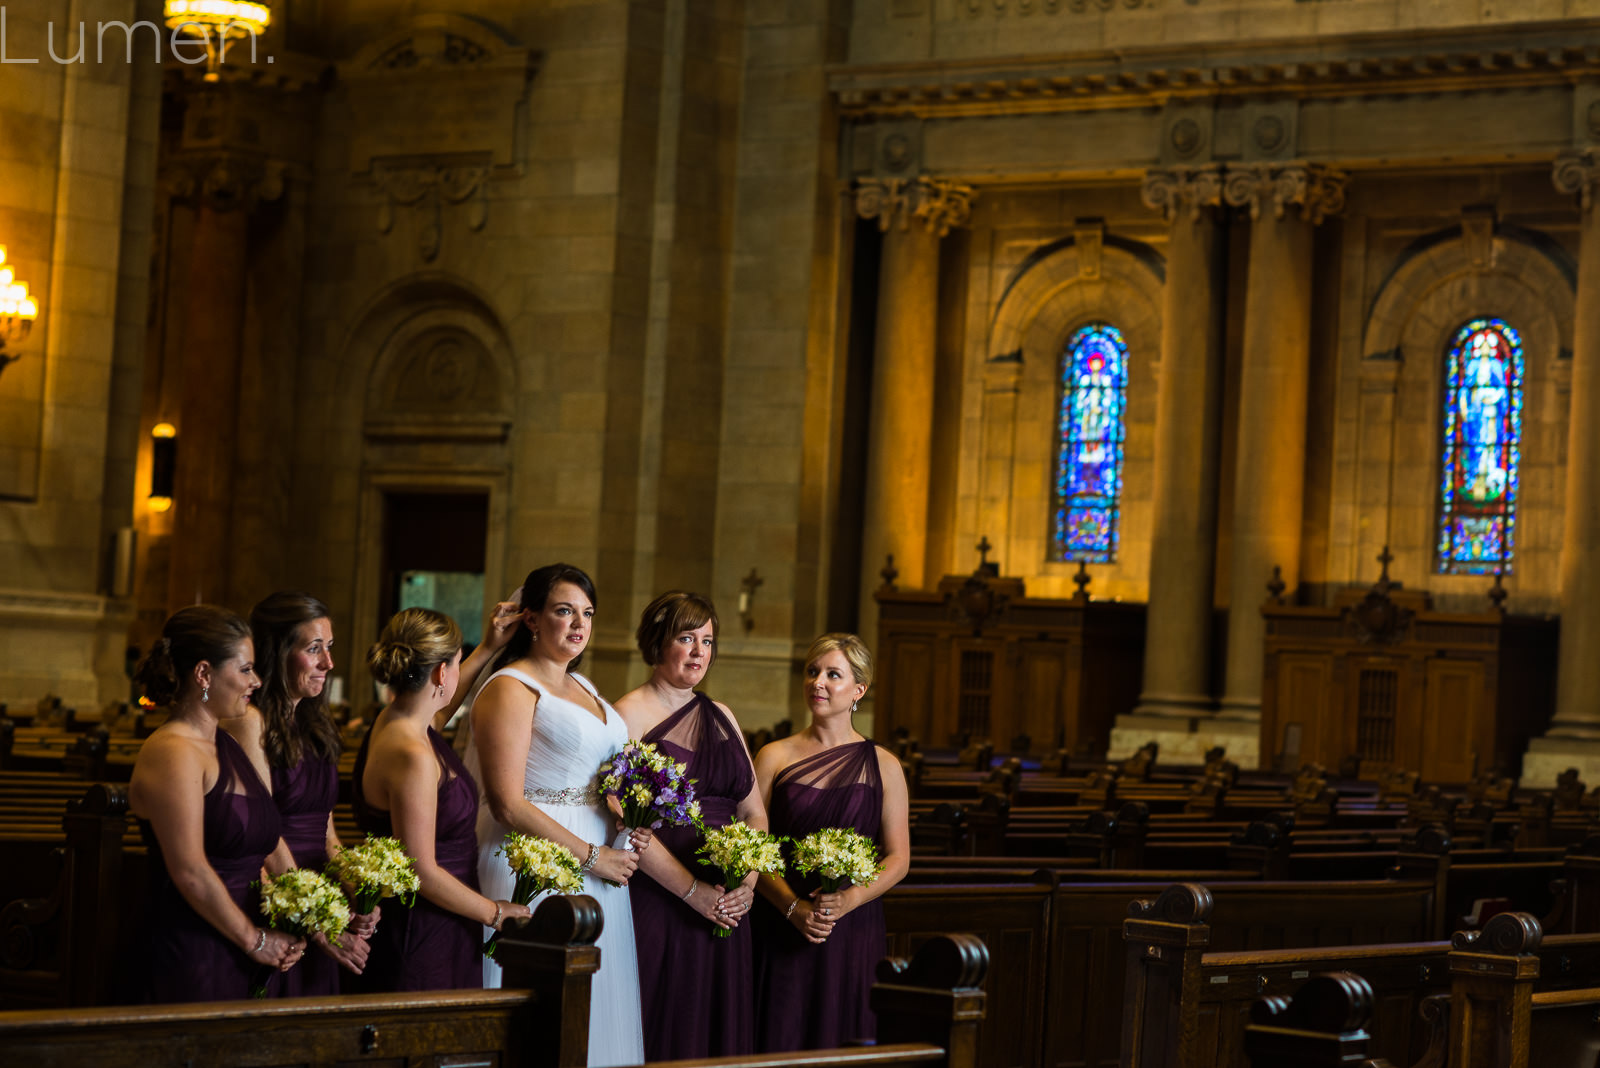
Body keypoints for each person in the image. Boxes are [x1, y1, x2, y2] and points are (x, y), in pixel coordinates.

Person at [471, 563, 649, 1068]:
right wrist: (592, 856)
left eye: (587, 613)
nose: (579, 624)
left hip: (602, 859)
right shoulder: (511, 686)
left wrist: (626, 809)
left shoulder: (586, 686)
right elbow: (506, 801)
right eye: (564, 611)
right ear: (531, 618)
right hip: (536, 857)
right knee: (543, 1009)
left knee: (596, 1002)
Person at [614, 591, 765, 1059]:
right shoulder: (625, 715)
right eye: (687, 638)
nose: (700, 652)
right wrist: (692, 891)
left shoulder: (723, 715)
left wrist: (749, 881)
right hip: (662, 900)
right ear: (658, 642)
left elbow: (754, 811)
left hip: (728, 904)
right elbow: (621, 820)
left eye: (708, 641)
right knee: (668, 1025)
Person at [129, 605, 305, 1003]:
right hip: (197, 950)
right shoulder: (173, 751)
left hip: (247, 943)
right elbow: (190, 870)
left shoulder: (227, 744)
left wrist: (303, 919)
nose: (256, 681)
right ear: (204, 674)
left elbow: (263, 842)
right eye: (245, 670)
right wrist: (255, 940)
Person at [353, 607, 530, 991]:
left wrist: (486, 648)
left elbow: (439, 708)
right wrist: (496, 912)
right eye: (457, 661)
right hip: (424, 929)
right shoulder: (412, 755)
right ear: (440, 672)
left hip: (446, 919)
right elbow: (421, 871)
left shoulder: (397, 719)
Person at [752, 633, 911, 1051]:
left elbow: (898, 858)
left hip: (852, 927)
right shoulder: (773, 756)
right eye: (812, 671)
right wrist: (793, 908)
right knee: (779, 1034)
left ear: (858, 690)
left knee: (845, 1037)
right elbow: (752, 849)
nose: (817, 682)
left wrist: (851, 899)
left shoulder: (885, 765)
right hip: (782, 919)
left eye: (832, 674)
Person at [241, 592, 371, 994]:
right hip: (275, 902)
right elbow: (260, 836)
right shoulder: (251, 723)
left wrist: (358, 890)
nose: (328, 663)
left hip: (318, 900)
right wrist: (317, 926)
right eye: (314, 649)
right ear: (278, 653)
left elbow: (326, 835)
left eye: (328, 648)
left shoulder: (315, 725)